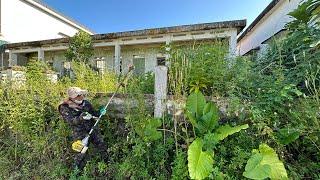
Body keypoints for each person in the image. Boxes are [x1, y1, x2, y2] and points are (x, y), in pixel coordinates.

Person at [58, 87, 107, 169]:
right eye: (78, 95)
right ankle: (77, 172)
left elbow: (93, 113)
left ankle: (106, 164)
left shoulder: (86, 103)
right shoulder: (65, 107)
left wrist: (100, 112)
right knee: (81, 153)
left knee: (101, 145)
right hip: (79, 133)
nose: (81, 96)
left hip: (92, 128)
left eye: (81, 94)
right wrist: (80, 118)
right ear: (72, 97)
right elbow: (70, 121)